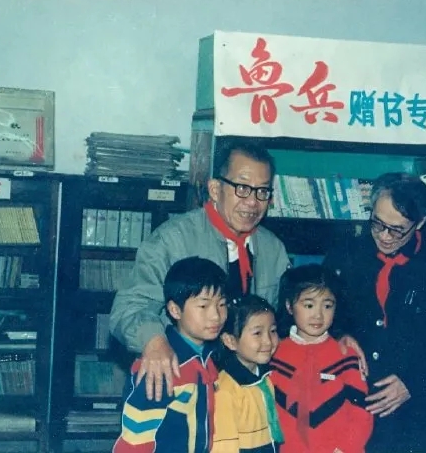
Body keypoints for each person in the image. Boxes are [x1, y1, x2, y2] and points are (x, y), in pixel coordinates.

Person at [109, 144, 290, 401]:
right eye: (242, 188)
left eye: (262, 192)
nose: (252, 202)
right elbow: (128, 308)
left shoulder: (273, 249)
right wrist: (153, 341)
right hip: (182, 382)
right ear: (215, 189)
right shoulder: (172, 240)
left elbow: (288, 318)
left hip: (244, 390)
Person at [323, 172, 426, 451]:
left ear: (420, 223)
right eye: (377, 223)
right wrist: (339, 334)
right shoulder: (344, 256)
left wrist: (413, 383)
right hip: (349, 405)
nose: (384, 236)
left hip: (415, 418)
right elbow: (317, 316)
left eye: (397, 229)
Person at [113, 256, 228, 453]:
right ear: (175, 310)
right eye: (203, 306)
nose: (216, 316)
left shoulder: (207, 358)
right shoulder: (162, 365)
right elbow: (135, 439)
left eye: (222, 304)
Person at [270, 264, 373, 453]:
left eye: (327, 306)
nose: (318, 315)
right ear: (289, 306)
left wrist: (345, 448)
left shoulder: (346, 354)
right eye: (309, 305)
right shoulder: (273, 352)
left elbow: (361, 412)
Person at [212, 294, 283, 453]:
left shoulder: (266, 377)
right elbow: (224, 447)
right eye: (257, 333)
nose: (268, 341)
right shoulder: (225, 391)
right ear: (230, 341)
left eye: (272, 331)